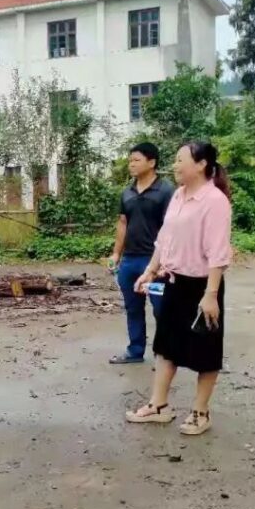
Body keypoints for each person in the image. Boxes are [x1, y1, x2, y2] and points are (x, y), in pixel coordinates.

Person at [126, 142, 232, 436]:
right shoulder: (178, 196)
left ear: (201, 164)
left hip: (202, 286)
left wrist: (210, 295)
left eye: (179, 160)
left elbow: (218, 251)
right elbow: (164, 239)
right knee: (165, 345)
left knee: (206, 351)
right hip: (173, 280)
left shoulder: (214, 200)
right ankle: (159, 406)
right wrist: (150, 271)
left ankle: (201, 412)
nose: (174, 165)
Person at [108, 142, 174, 364]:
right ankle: (135, 351)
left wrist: (166, 261)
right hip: (129, 263)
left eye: (136, 160)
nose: (131, 164)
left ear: (152, 162)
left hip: (154, 264)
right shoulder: (127, 192)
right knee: (133, 308)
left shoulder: (165, 191)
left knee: (160, 308)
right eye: (130, 160)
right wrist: (116, 254)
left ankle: (165, 353)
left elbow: (172, 227)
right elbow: (122, 223)